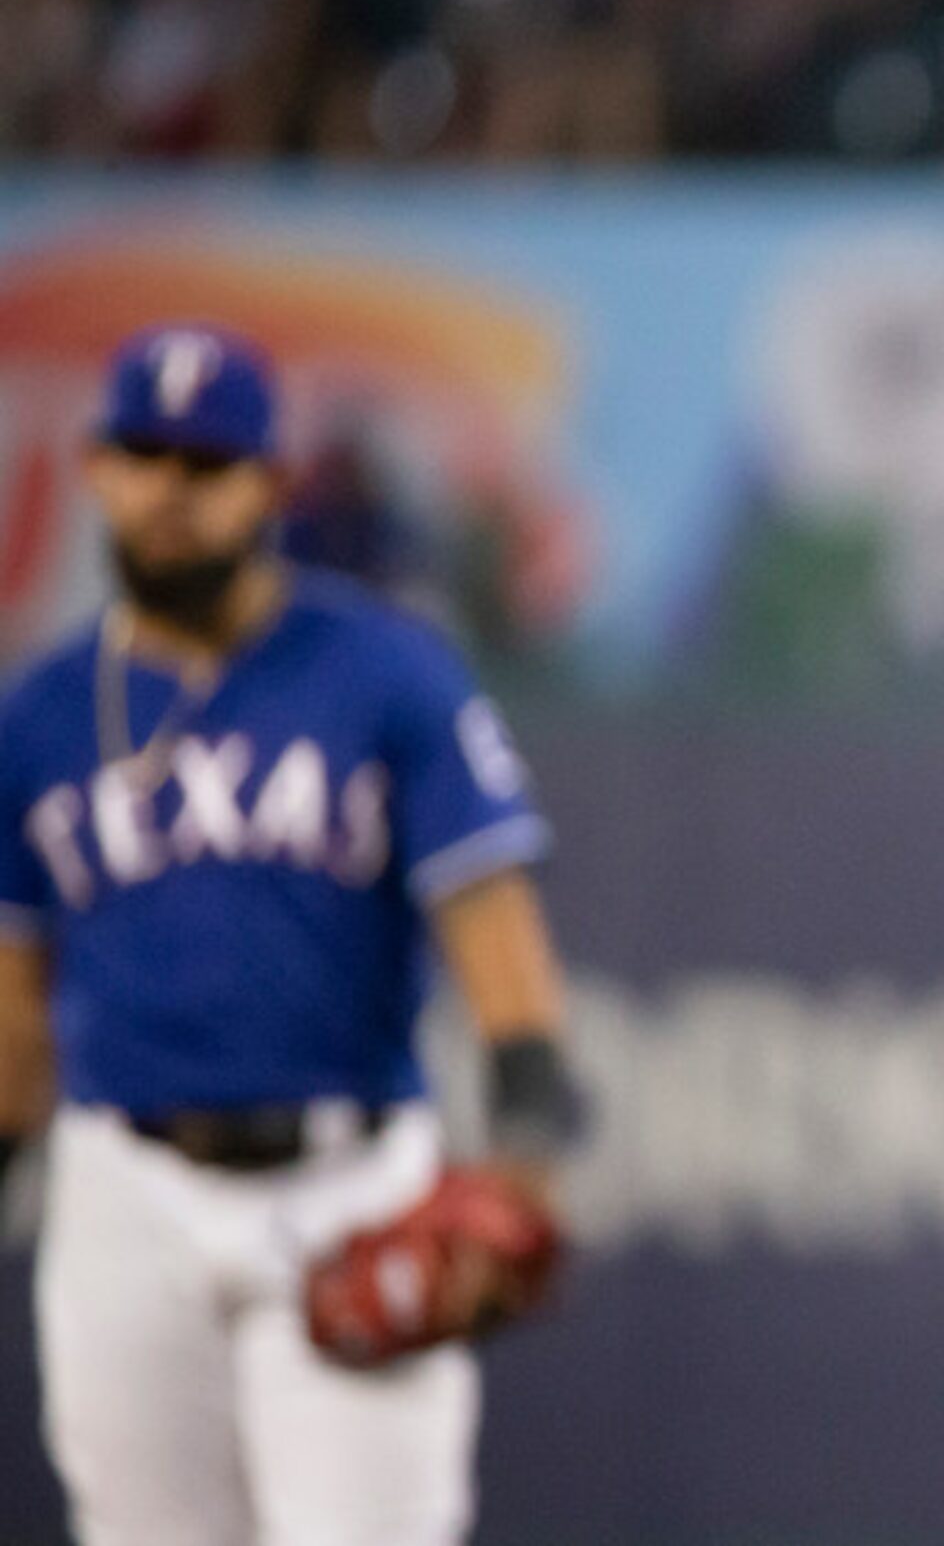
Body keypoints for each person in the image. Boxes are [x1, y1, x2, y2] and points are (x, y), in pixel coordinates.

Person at [0, 324, 588, 1546]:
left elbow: (495, 925)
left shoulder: (383, 673)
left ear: (268, 484)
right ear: (100, 467)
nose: (171, 493)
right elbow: (13, 1002)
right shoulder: (45, 714)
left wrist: (525, 1143)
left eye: (206, 465)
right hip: (126, 1193)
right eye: (145, 456)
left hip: (347, 1185)